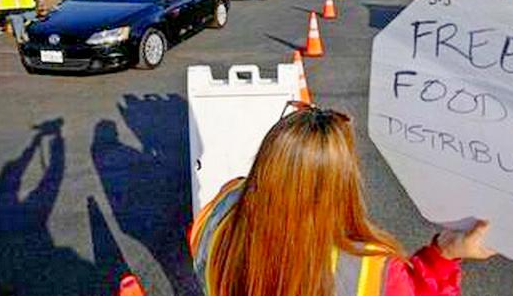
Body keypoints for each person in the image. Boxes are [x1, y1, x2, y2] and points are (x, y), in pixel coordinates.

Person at [188, 103, 496, 296]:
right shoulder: (371, 270)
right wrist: (443, 254)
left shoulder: (222, 209)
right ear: (341, 184)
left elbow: (198, 238)